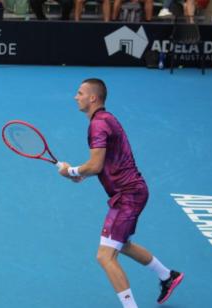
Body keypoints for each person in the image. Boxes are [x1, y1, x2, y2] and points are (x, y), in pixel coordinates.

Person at [58, 78, 183, 307]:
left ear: (93, 98)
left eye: (80, 92)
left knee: (105, 256)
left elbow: (95, 165)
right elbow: (104, 163)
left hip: (127, 196)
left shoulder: (98, 124)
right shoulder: (106, 119)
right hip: (132, 191)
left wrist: (71, 170)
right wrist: (81, 175)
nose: (76, 97)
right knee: (121, 244)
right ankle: (167, 276)